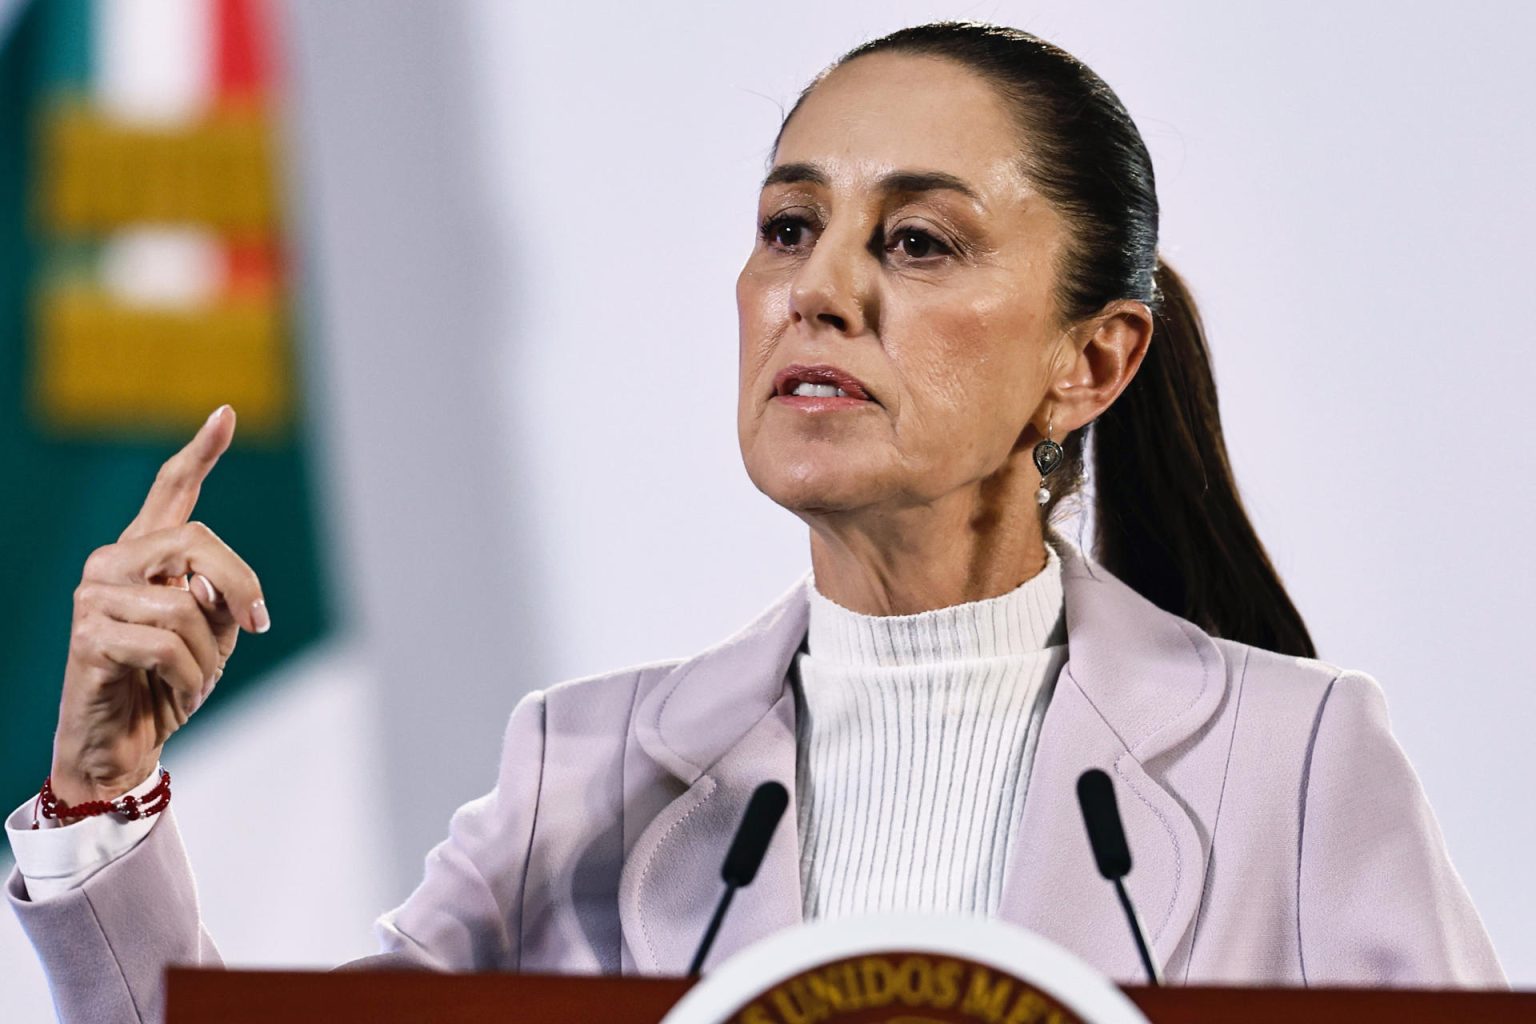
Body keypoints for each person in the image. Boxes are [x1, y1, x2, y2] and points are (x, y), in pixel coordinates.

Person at [7, 21, 1505, 1023]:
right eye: (791, 228)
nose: (819, 289)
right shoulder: (580, 778)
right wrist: (103, 797)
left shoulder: (1294, 769)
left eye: (915, 241)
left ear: (1092, 361)